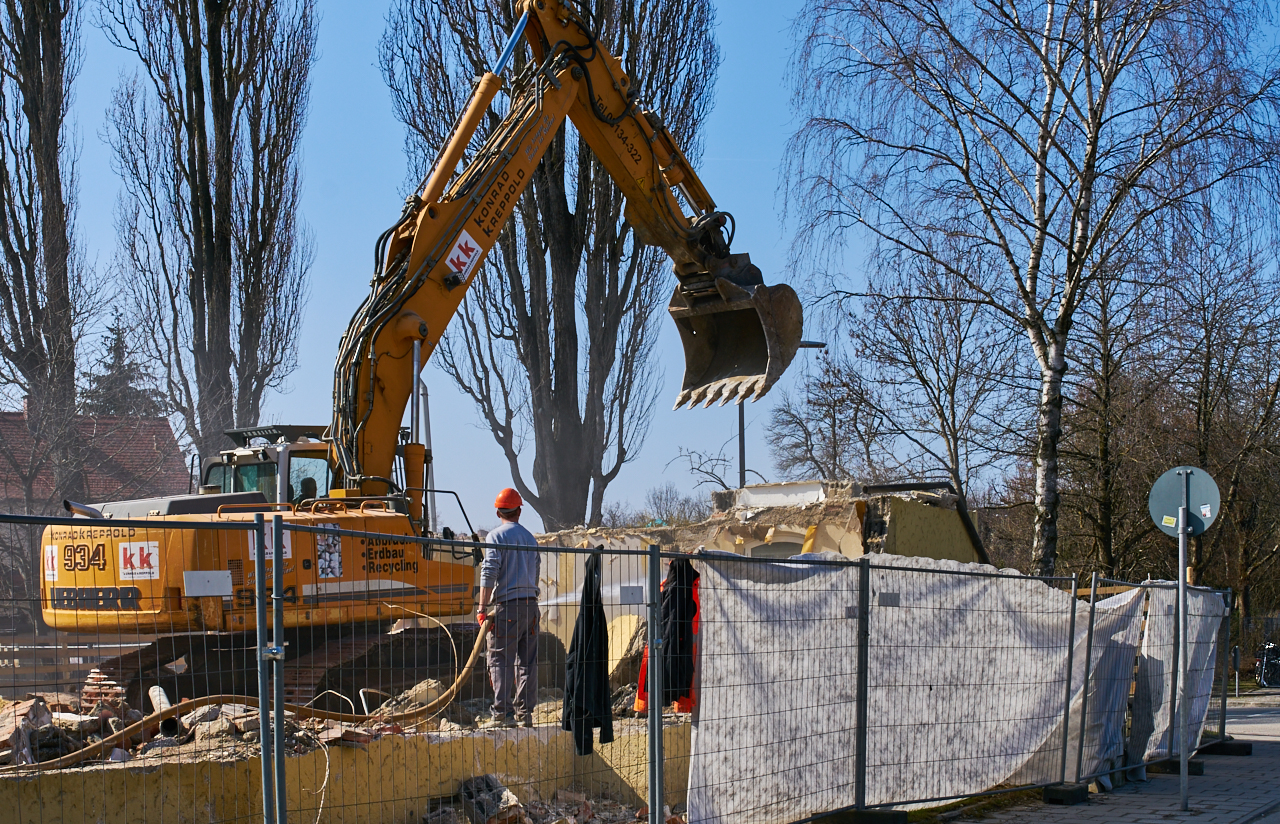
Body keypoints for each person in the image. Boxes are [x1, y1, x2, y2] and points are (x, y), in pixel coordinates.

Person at [476, 487, 541, 728]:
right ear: (519, 512)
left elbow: (489, 573)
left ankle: (502, 715)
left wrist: (482, 607)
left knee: (500, 659)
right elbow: (535, 573)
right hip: (531, 608)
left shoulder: (495, 537)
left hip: (508, 607)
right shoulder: (530, 539)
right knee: (527, 662)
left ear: (498, 513)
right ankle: (525, 715)